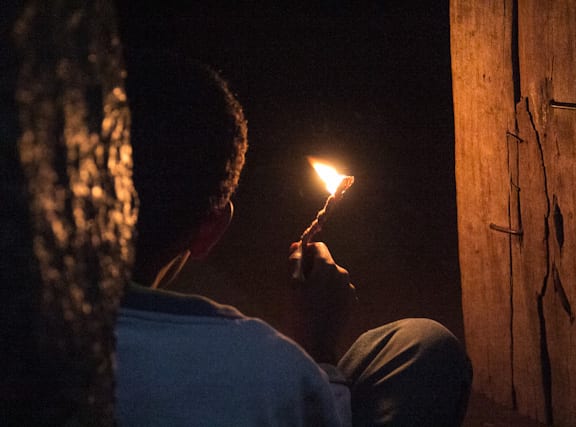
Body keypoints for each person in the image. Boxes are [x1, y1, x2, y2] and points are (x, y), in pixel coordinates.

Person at [115, 48, 472, 426]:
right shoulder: (262, 364)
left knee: (416, 340)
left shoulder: (52, 332)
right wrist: (316, 348)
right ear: (211, 230)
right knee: (431, 353)